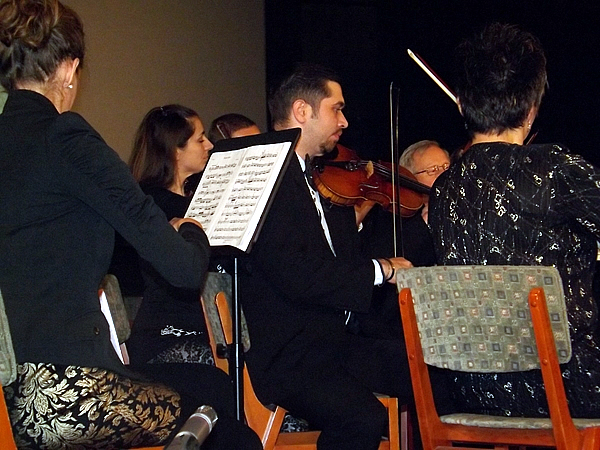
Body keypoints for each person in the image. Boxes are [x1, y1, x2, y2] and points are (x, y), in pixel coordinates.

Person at [0, 1, 259, 448]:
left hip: (11, 398)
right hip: (68, 392)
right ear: (69, 68)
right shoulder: (65, 137)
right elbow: (183, 269)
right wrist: (192, 229)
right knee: (226, 432)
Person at [238, 62, 414, 450]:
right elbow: (299, 274)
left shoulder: (319, 180)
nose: (345, 121)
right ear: (302, 111)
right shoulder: (269, 181)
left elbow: (339, 261)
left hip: (332, 341)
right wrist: (381, 270)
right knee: (362, 418)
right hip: (292, 353)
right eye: (336, 109)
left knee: (424, 371)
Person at [429, 23, 600, 418]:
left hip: (476, 390)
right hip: (569, 387)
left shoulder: (443, 190)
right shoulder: (554, 169)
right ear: (531, 109)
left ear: (461, 104)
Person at [355, 140, 450, 340]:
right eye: (433, 170)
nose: (444, 176)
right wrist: (424, 224)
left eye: (446, 167)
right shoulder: (387, 218)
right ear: (408, 178)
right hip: (396, 332)